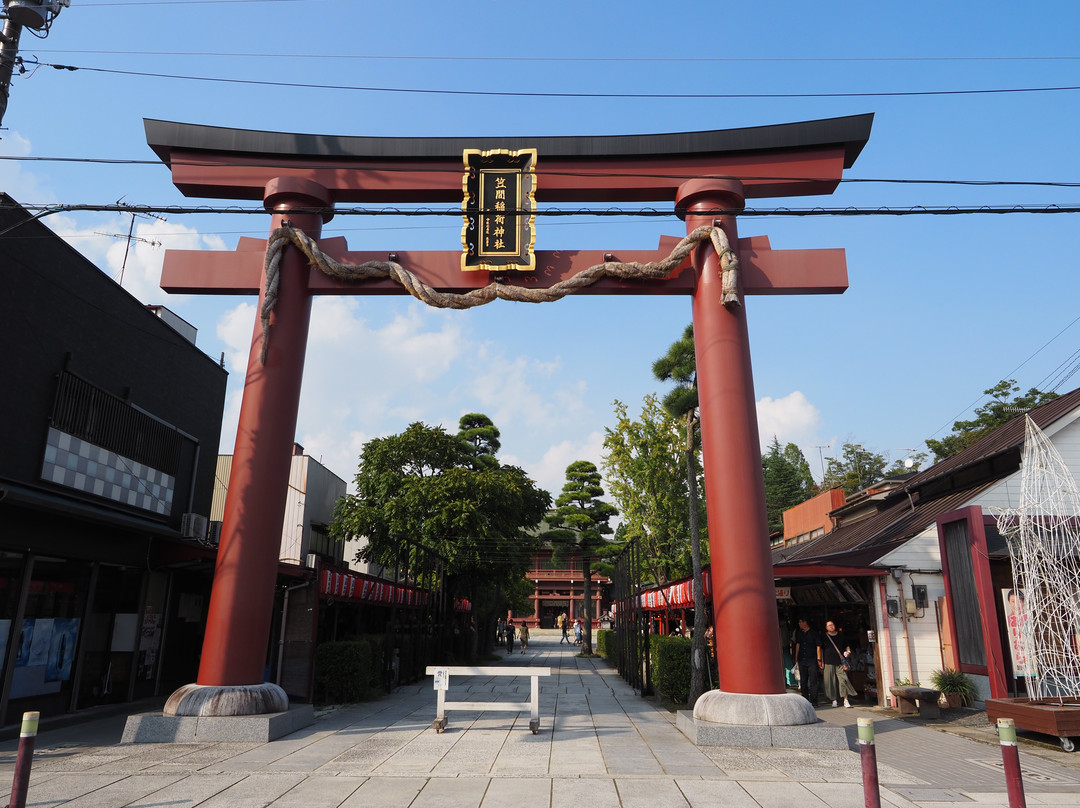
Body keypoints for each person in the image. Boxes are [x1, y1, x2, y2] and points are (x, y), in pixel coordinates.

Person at [820, 619, 857, 707]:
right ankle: (834, 700)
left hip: (840, 662)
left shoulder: (841, 635)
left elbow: (846, 645)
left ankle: (845, 700)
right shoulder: (824, 636)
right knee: (830, 681)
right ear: (826, 628)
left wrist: (848, 651)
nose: (831, 626)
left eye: (832, 625)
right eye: (829, 625)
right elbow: (820, 649)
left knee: (843, 680)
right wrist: (821, 661)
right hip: (828, 661)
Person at [794, 617, 822, 706]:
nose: (799, 624)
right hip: (802, 658)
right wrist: (796, 657)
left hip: (812, 658)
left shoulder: (814, 633)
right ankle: (804, 699)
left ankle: (814, 700)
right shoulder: (799, 633)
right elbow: (798, 644)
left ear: (805, 622)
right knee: (803, 680)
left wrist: (819, 658)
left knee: (813, 680)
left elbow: (818, 646)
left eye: (800, 622)